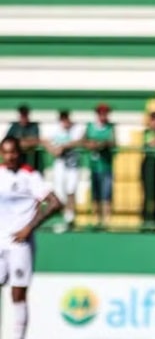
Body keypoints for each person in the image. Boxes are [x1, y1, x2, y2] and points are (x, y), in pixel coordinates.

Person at [0, 136, 63, 339]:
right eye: (6, 152)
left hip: (20, 244)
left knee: (17, 295)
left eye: (13, 152)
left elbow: (55, 203)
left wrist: (29, 227)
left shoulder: (30, 176)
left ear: (19, 153)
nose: (10, 156)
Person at [43, 109, 84, 232]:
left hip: (72, 164)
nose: (65, 121)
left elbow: (79, 141)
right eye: (62, 119)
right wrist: (52, 149)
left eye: (66, 118)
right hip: (60, 164)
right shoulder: (56, 129)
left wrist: (64, 146)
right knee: (60, 190)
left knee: (71, 189)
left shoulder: (76, 129)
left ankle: (70, 218)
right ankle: (63, 217)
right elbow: (44, 140)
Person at [84, 103, 116, 227]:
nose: (103, 116)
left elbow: (112, 142)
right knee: (95, 193)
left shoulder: (110, 127)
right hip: (94, 165)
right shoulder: (90, 127)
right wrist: (90, 145)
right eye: (101, 113)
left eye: (105, 113)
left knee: (107, 193)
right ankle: (96, 219)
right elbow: (84, 141)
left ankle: (107, 220)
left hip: (106, 165)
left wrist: (101, 144)